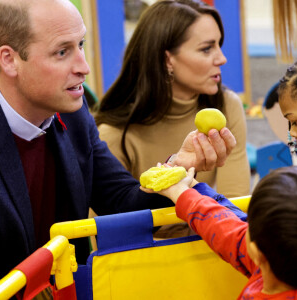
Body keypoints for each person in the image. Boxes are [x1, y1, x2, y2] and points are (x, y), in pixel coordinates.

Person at [0, 0, 237, 281]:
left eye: (81, 45)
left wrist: (177, 167)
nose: (84, 67)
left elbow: (121, 202)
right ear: (9, 60)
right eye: (62, 52)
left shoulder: (75, 116)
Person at [94, 0, 250, 200]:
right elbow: (107, 227)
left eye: (219, 45)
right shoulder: (113, 133)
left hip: (213, 229)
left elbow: (236, 206)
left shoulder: (226, 106)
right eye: (206, 49)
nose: (222, 59)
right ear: (167, 60)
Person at [141, 165, 297, 298]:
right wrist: (185, 190)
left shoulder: (261, 265)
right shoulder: (273, 260)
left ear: (257, 253)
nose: (244, 223)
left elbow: (227, 231)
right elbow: (221, 226)